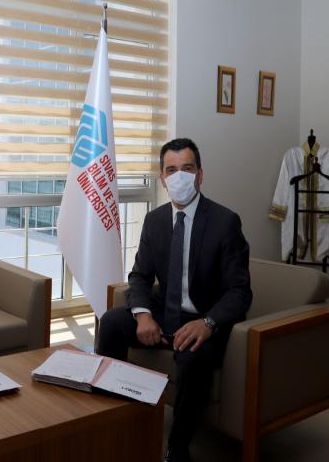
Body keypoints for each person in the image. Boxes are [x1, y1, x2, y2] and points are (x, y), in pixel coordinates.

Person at [95, 138, 251, 462]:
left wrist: (208, 323)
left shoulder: (225, 222)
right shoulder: (154, 220)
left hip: (202, 320)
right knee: (110, 322)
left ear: (200, 175)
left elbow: (240, 291)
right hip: (163, 312)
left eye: (187, 168)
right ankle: (110, 419)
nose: (179, 176)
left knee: (193, 359)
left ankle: (176, 450)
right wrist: (142, 315)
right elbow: (139, 276)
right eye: (171, 170)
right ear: (162, 178)